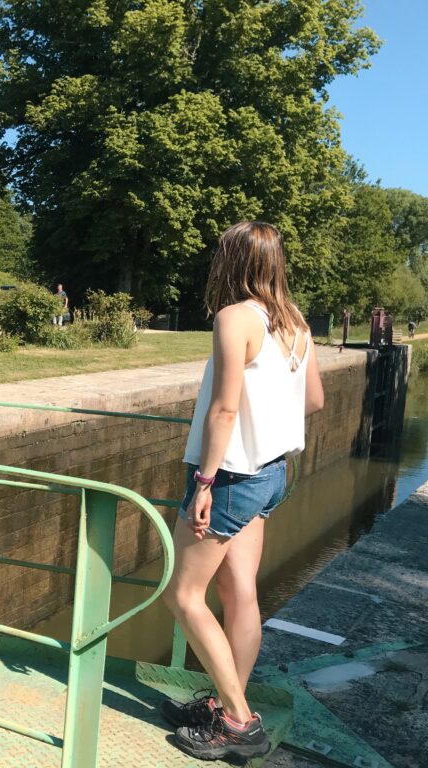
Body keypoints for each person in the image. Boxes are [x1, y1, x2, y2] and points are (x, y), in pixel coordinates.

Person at [162, 222, 324, 761]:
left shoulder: (234, 318)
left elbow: (225, 410)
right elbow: (315, 399)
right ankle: (228, 699)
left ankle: (237, 720)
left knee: (184, 595)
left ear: (232, 261)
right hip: (273, 474)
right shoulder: (296, 325)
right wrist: (269, 418)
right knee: (239, 594)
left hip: (230, 477)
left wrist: (205, 481)